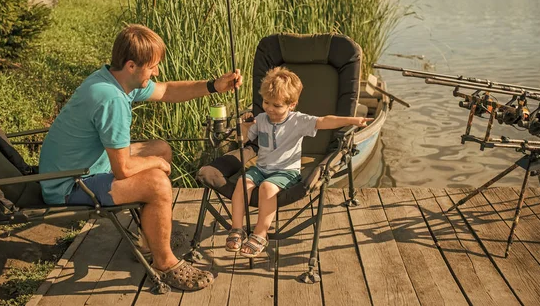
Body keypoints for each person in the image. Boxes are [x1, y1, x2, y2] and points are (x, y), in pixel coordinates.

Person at [39, 24, 242, 291]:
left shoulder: (114, 79)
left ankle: (148, 240)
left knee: (160, 148)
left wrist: (214, 86)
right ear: (132, 65)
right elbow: (122, 169)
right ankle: (166, 263)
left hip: (87, 165)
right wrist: (156, 165)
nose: (157, 71)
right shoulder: (111, 99)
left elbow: (168, 90)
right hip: (70, 185)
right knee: (157, 183)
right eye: (153, 66)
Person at [225, 67, 371, 257]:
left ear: (291, 104)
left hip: (286, 171)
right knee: (242, 183)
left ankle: (260, 233)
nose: (269, 108)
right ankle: (237, 228)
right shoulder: (260, 119)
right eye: (266, 102)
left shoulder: (298, 121)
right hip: (261, 168)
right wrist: (244, 126)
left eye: (276, 106)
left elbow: (325, 121)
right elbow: (243, 140)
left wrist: (352, 120)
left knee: (267, 188)